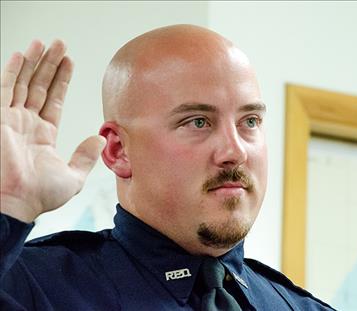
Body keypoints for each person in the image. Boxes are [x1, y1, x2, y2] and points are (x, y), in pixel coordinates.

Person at [0, 24, 335, 310]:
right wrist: (9, 207)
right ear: (119, 150)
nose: (235, 151)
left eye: (250, 121)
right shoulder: (31, 287)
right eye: (199, 122)